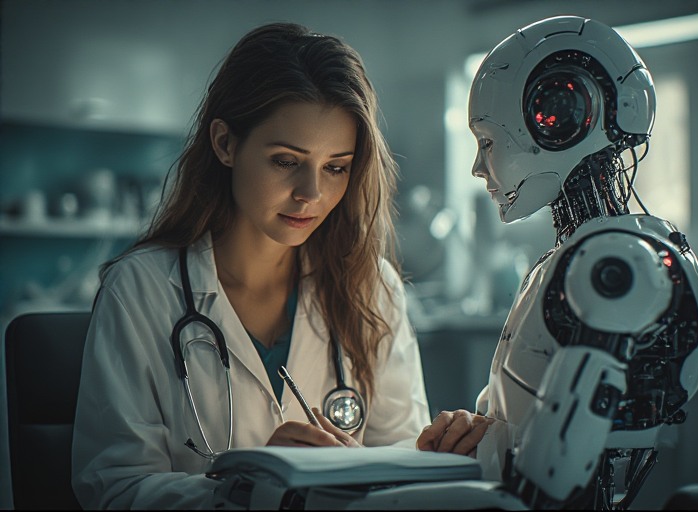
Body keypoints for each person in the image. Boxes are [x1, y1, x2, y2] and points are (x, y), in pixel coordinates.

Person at [71, 22, 430, 509]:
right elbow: (114, 488)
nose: (312, 193)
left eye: (336, 167)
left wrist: (415, 455)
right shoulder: (140, 289)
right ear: (225, 143)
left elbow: (403, 456)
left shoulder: (372, 288)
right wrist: (252, 487)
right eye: (286, 161)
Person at [416, 15, 698, 510]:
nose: (477, 166)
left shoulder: (614, 264)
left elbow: (552, 474)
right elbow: (524, 423)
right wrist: (481, 433)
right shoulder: (573, 258)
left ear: (555, 121)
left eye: (487, 142)